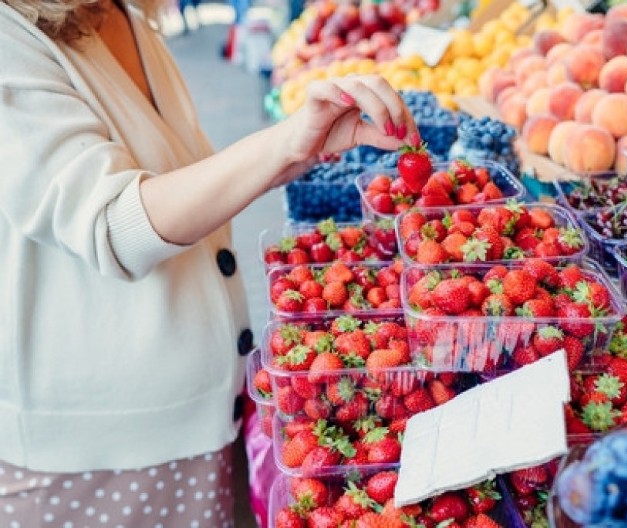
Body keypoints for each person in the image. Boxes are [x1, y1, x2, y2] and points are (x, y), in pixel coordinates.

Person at [0, 0, 416, 526]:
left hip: (203, 420)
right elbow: (112, 221)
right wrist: (281, 145)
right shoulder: (9, 40)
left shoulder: (120, 13)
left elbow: (182, 181)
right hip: (102, 456)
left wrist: (300, 149)